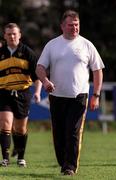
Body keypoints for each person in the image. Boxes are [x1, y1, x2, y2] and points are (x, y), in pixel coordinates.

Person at [36, 10, 105, 176]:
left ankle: (70, 167)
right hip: (56, 96)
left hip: (79, 96)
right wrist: (45, 81)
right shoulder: (52, 45)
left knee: (73, 132)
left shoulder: (87, 45)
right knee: (59, 133)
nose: (74, 28)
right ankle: (63, 162)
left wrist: (95, 95)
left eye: (77, 25)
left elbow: (97, 70)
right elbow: (40, 68)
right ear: (62, 26)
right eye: (70, 25)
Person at [0, 23, 42, 167]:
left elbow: (37, 76)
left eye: (14, 33)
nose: (12, 36)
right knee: (5, 123)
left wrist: (37, 92)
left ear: (19, 35)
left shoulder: (28, 52)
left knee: (20, 129)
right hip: (4, 93)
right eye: (9, 34)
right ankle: (5, 158)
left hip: (22, 94)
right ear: (4, 36)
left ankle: (20, 157)